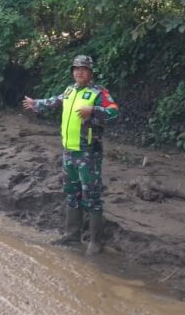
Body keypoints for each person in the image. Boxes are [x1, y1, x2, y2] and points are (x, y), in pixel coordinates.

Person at [22, 55, 118, 255]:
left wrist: (93, 110)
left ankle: (95, 242)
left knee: (91, 196)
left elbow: (114, 112)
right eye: (76, 68)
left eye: (83, 69)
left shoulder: (98, 92)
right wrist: (35, 103)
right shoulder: (69, 90)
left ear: (90, 72)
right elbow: (54, 101)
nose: (79, 72)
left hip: (88, 152)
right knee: (72, 193)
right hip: (69, 151)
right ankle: (72, 235)